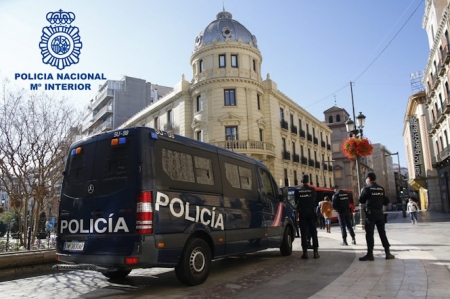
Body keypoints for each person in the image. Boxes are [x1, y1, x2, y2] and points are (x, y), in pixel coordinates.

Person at [358, 172, 395, 261]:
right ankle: (388, 253)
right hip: (380, 213)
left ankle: (370, 254)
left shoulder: (366, 188)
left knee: (370, 234)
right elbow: (385, 201)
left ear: (368, 179)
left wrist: (362, 192)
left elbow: (361, 200)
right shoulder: (381, 189)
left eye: (366, 179)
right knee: (382, 233)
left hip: (370, 214)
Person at [295, 174, 320, 259]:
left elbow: (296, 202)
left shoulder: (297, 190)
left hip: (302, 213)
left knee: (303, 233)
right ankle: (315, 252)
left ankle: (305, 253)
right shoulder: (312, 189)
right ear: (308, 181)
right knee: (313, 232)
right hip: (311, 212)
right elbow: (315, 199)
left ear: (301, 181)